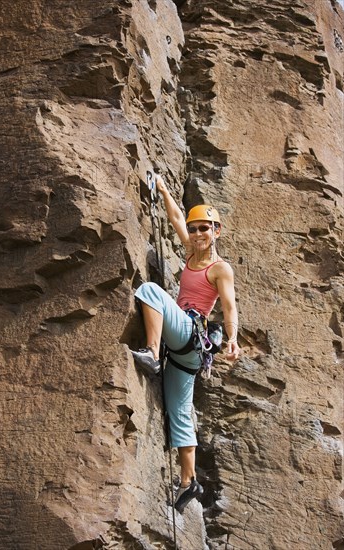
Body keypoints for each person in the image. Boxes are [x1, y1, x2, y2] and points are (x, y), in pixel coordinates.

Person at [132, 174, 240, 513]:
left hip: (191, 337)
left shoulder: (220, 268)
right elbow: (177, 217)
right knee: (179, 411)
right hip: (185, 352)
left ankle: (150, 353)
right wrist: (163, 190)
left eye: (204, 228)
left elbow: (229, 306)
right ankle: (188, 482)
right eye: (194, 230)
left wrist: (234, 338)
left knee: (150, 291)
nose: (196, 234)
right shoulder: (192, 253)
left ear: (216, 231)